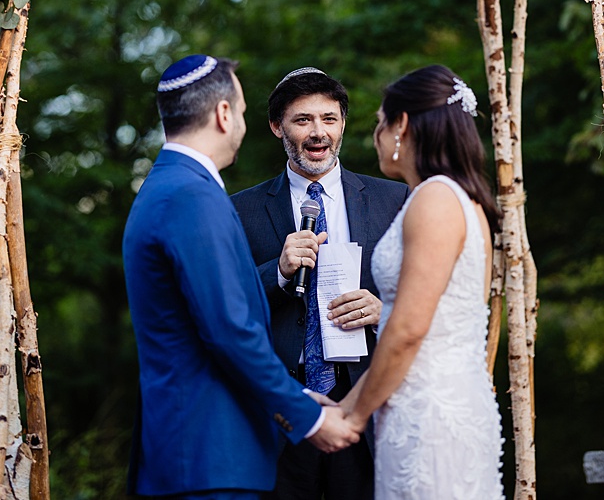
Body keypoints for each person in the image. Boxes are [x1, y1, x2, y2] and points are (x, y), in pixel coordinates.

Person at [123, 54, 360, 500]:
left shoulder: (172, 186)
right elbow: (229, 331)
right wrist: (306, 416)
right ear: (223, 113)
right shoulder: (193, 196)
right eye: (245, 113)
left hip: (202, 451)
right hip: (209, 455)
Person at [232, 67, 409, 500]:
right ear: (277, 127)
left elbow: (425, 297)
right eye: (303, 120)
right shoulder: (240, 209)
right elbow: (227, 306)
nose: (318, 133)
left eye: (329, 119)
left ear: (343, 124)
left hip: (365, 403)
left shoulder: (394, 199)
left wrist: (383, 311)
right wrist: (278, 270)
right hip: (281, 413)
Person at [340, 64, 504, 500]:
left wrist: (355, 420)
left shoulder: (435, 198)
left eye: (380, 122)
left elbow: (409, 330)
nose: (375, 135)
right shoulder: (448, 196)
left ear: (403, 125)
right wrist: (346, 407)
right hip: (424, 404)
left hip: (432, 415)